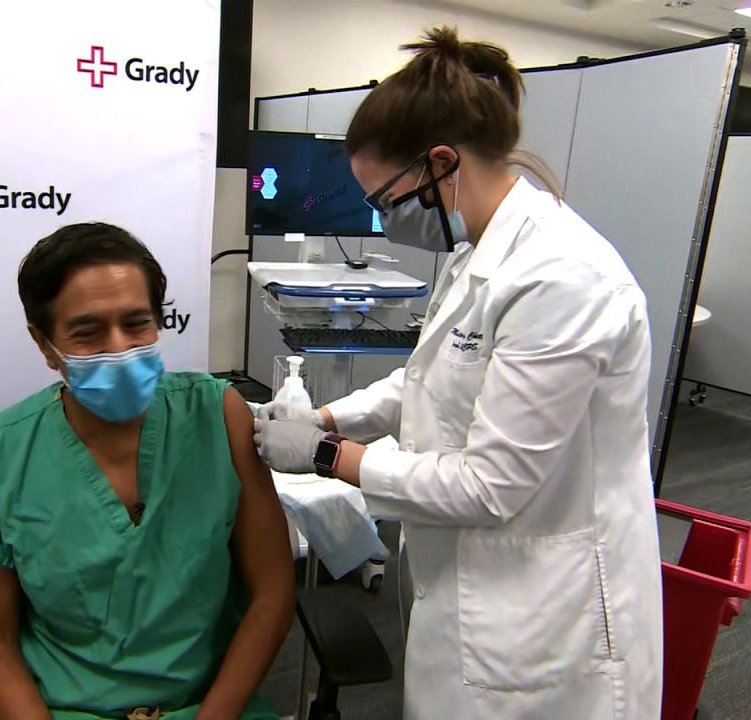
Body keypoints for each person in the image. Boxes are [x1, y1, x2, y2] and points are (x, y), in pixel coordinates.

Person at [253, 27, 664, 719]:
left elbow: (491, 486)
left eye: (383, 201)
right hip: (473, 584)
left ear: (442, 162)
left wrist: (327, 456)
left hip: (545, 614)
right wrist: (326, 418)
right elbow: (426, 380)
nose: (383, 222)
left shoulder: (561, 275)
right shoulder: (477, 252)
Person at [0, 223, 295, 720]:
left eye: (136, 323)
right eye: (88, 332)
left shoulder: (218, 417)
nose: (119, 348)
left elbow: (273, 591)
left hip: (209, 708)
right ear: (45, 344)